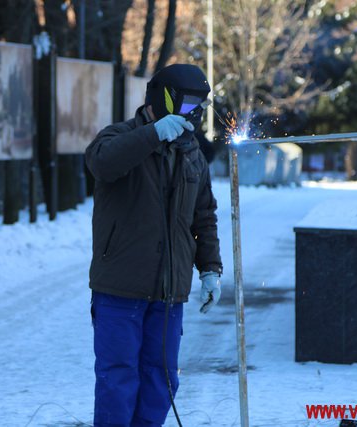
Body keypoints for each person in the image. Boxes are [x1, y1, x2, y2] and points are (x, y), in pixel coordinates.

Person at [85, 63, 223, 427]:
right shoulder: (119, 136)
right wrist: (153, 135)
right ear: (163, 99)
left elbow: (203, 216)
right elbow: (102, 164)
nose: (192, 114)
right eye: (188, 105)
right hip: (120, 289)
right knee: (118, 380)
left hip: (169, 294)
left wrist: (210, 269)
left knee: (161, 382)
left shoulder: (191, 152)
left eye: (199, 107)